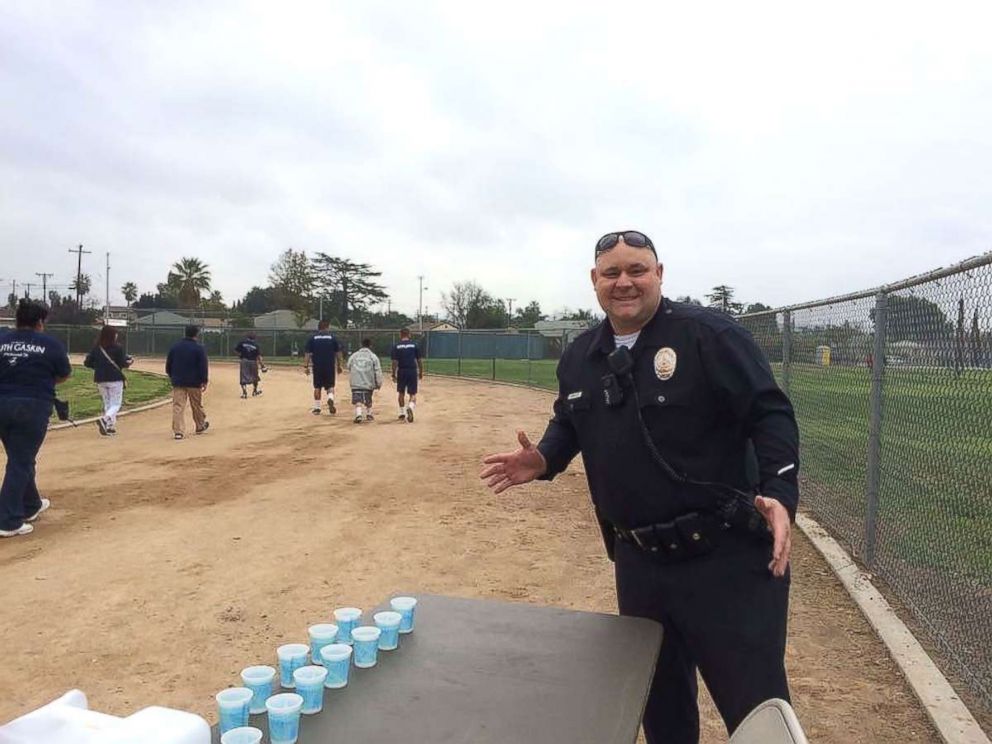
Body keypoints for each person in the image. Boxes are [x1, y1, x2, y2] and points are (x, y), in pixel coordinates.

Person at [480, 230, 800, 744]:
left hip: (727, 562)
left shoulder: (709, 336)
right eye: (612, 273)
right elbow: (571, 418)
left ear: (659, 274)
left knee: (755, 709)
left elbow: (770, 412)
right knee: (662, 710)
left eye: (637, 270)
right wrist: (544, 457)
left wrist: (780, 495)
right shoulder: (582, 354)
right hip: (641, 565)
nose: (624, 282)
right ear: (594, 281)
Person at [0, 300, 72, 538]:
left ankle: (30, 505)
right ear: (40, 322)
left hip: (2, 404)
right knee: (20, 461)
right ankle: (8, 520)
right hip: (32, 406)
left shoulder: (3, 340)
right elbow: (64, 374)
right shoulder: (49, 344)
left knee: (20, 457)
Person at [83, 325, 133, 435]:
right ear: (112, 335)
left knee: (108, 403)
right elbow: (122, 363)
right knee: (116, 404)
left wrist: (98, 367)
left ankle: (109, 426)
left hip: (100, 379)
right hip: (115, 378)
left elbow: (87, 363)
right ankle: (105, 419)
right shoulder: (118, 348)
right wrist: (129, 362)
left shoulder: (96, 347)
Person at [165, 325, 209, 440]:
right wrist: (204, 380)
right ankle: (200, 425)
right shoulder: (199, 348)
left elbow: (169, 363)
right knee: (196, 405)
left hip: (178, 380)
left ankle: (178, 431)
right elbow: (203, 366)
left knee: (178, 406)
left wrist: (171, 375)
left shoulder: (175, 347)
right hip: (194, 381)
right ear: (196, 334)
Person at [303, 321, 344, 415]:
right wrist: (339, 365)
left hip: (317, 366)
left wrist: (306, 366)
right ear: (327, 327)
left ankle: (317, 408)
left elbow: (307, 354)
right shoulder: (332, 338)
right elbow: (338, 353)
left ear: (319, 328)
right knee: (330, 386)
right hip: (329, 366)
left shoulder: (312, 338)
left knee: (317, 387)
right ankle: (330, 398)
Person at [390, 328, 423, 422]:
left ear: (400, 335)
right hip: (412, 370)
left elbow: (394, 362)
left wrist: (393, 373)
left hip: (402, 370)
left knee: (401, 392)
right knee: (412, 393)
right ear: (409, 335)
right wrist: (420, 372)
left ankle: (401, 413)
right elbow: (419, 360)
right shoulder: (414, 345)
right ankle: (411, 407)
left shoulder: (396, 346)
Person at [347, 338, 383, 423]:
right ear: (370, 345)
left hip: (356, 382)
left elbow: (349, 365)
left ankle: (358, 414)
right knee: (368, 398)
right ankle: (369, 414)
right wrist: (379, 383)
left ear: (361, 345)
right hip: (368, 382)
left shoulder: (354, 355)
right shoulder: (373, 356)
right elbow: (378, 370)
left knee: (358, 400)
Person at [234, 331, 264, 398]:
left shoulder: (242, 343)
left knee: (243, 377)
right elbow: (258, 357)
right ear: (254, 338)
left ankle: (244, 393)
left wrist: (240, 356)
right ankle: (255, 391)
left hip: (244, 361)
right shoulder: (256, 345)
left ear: (247, 337)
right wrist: (262, 366)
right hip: (253, 362)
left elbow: (236, 351)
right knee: (255, 376)